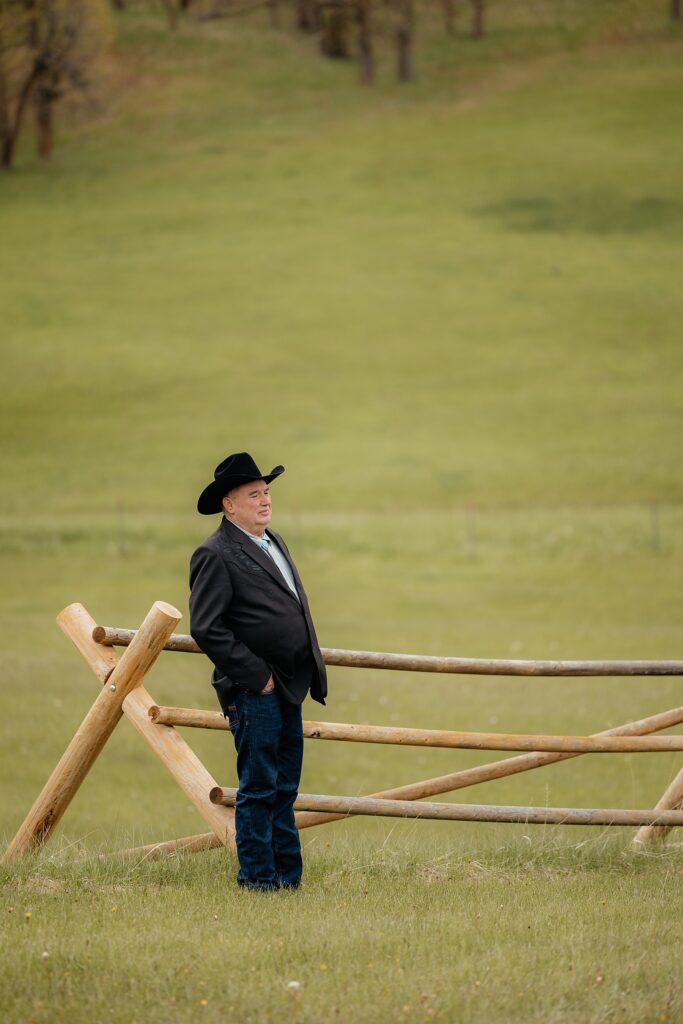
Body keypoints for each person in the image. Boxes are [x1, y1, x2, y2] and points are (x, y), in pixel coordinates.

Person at [189, 452, 327, 891]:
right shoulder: (214, 552)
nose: (265, 500)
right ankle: (258, 881)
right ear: (229, 505)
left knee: (285, 787)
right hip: (256, 689)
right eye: (254, 494)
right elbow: (206, 627)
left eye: (266, 492)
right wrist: (256, 676)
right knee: (259, 786)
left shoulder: (273, 540)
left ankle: (289, 880)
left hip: (289, 683)